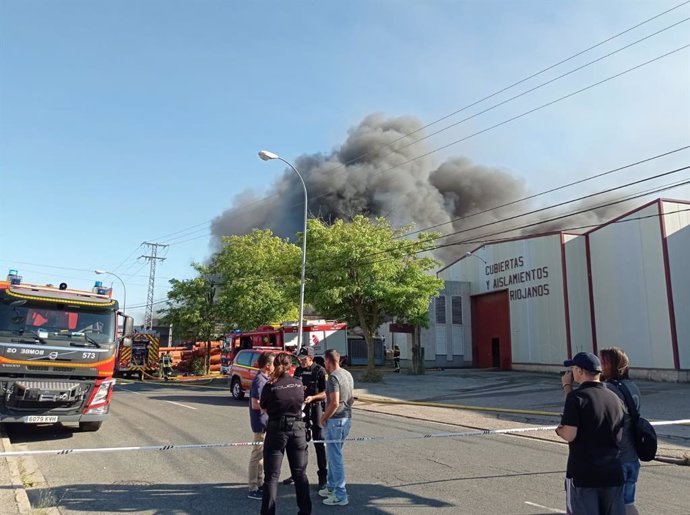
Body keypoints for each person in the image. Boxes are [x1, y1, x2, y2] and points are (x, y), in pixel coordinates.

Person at [556, 351, 625, 515]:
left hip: (584, 474)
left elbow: (569, 434)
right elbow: (620, 434)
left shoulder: (577, 397)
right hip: (612, 472)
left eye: (573, 368)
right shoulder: (614, 398)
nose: (571, 372)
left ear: (579, 371)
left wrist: (559, 430)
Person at [260, 352, 312, 515]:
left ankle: (268, 512)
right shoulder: (298, 383)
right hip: (297, 430)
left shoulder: (270, 385)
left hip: (277, 430)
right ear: (291, 366)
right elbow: (301, 402)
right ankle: (305, 511)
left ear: (275, 365)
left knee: (272, 476)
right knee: (299, 474)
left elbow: (263, 407)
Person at [600, 347, 642, 515]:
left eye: (604, 362)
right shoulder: (633, 387)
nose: (600, 365)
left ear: (613, 365)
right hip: (632, 456)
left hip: (616, 457)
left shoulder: (609, 389)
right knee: (628, 504)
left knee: (611, 507)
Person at [283, 346, 328, 489]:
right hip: (301, 408)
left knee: (319, 442)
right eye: (299, 359)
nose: (301, 362)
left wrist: (313, 397)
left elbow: (326, 393)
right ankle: (297, 474)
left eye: (304, 359)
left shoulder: (320, 371)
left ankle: (323, 477)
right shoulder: (299, 370)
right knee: (299, 443)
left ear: (311, 358)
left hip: (316, 408)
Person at [319, 349, 354, 507]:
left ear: (327, 361)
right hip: (346, 419)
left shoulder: (333, 378)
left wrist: (323, 417)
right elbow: (351, 399)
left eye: (324, 361)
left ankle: (340, 494)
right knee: (334, 455)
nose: (324, 364)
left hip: (335, 421)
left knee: (335, 458)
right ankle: (332, 486)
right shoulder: (347, 374)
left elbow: (334, 402)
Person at [247, 351, 275, 500]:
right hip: (260, 423)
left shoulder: (265, 378)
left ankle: (260, 482)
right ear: (267, 365)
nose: (274, 366)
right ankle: (253, 487)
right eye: (273, 363)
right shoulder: (260, 380)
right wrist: (271, 407)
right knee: (256, 455)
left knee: (261, 456)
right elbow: (255, 403)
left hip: (265, 422)